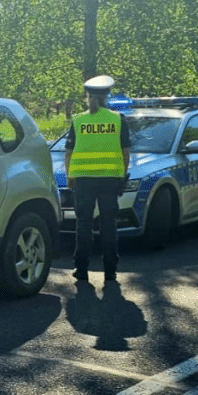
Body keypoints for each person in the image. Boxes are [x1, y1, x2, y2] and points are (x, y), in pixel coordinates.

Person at [65, 75, 131, 282]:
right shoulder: (118, 119)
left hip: (83, 179)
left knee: (83, 223)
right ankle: (110, 271)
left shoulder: (79, 120)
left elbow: (68, 152)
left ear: (87, 96)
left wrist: (69, 177)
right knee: (108, 224)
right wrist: (121, 174)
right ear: (107, 96)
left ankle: (81, 269)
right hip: (110, 179)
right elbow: (125, 152)